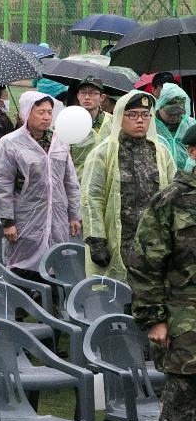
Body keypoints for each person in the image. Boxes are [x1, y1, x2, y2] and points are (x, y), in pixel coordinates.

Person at [126, 124, 196, 421]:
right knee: (179, 407)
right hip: (182, 319)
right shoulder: (171, 199)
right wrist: (153, 319)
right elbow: (145, 263)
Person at [82, 90, 177, 281]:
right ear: (120, 117)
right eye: (132, 115)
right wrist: (96, 241)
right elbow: (91, 197)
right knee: (117, 295)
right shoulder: (103, 153)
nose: (140, 120)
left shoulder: (161, 152)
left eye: (145, 115)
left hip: (154, 243)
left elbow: (174, 193)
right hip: (118, 240)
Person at [0, 91, 81, 280]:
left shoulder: (60, 141)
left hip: (56, 217)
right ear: (27, 112)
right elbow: (1, 184)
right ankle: (22, 305)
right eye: (41, 112)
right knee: (22, 265)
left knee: (54, 263)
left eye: (49, 112)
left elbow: (70, 181)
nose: (47, 117)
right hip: (25, 218)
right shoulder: (10, 143)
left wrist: (74, 215)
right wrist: (8, 222)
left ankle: (49, 304)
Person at [69, 76, 110, 178]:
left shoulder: (111, 122)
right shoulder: (68, 122)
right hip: (77, 184)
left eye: (92, 93)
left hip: (104, 183)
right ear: (78, 96)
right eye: (83, 93)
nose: (87, 97)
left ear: (102, 97)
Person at [155, 82, 196, 173]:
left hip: (189, 178)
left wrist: (191, 166)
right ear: (160, 106)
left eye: (179, 113)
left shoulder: (191, 124)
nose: (175, 117)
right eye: (170, 113)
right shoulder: (150, 125)